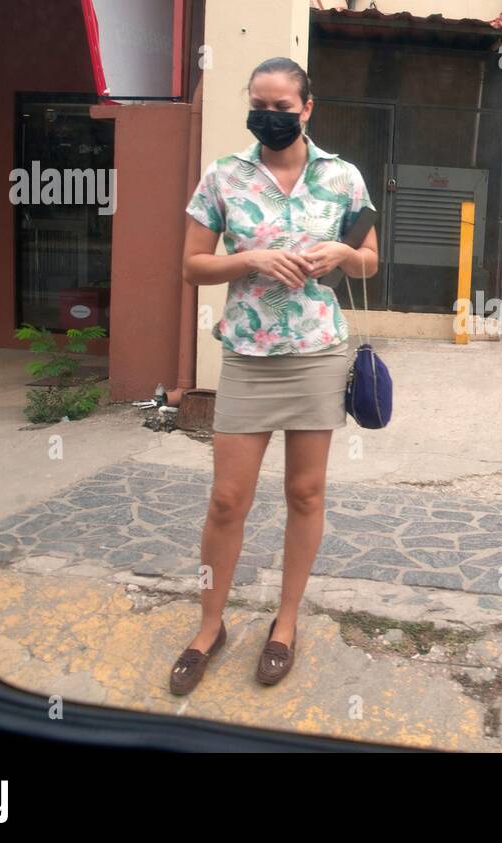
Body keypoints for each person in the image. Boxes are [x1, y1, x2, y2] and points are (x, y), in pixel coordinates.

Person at [169, 56, 379, 695]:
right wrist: (250, 258)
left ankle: (285, 623)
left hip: (317, 354)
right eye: (260, 105)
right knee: (227, 499)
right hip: (248, 356)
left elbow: (368, 263)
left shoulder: (343, 178)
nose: (270, 116)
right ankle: (210, 626)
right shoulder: (224, 177)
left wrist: (345, 252)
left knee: (305, 494)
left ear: (306, 108)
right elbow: (192, 266)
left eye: (283, 107)